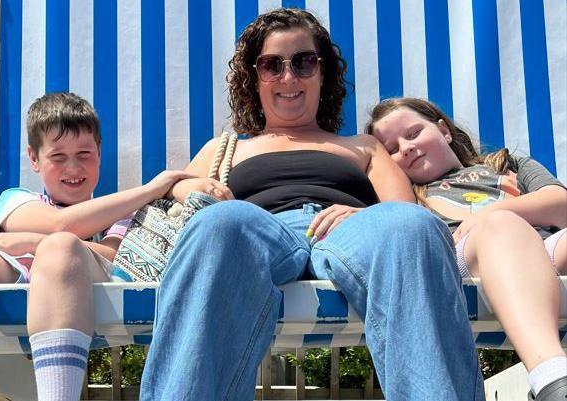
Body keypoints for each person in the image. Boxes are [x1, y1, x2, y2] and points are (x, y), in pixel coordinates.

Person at [138, 8, 484, 401]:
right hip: (255, 230)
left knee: (412, 228)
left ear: (323, 74)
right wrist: (193, 188)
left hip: (349, 231)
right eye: (273, 65)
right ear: (255, 78)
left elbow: (405, 210)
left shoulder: (362, 147)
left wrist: (365, 213)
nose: (289, 77)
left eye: (303, 63)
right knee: (218, 223)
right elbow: (177, 195)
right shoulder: (224, 148)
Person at [0, 92, 191, 401]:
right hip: (18, 274)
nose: (72, 168)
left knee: (60, 249)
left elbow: (113, 257)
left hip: (77, 281)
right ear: (34, 159)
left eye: (84, 154)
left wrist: (31, 241)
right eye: (58, 157)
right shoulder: (16, 199)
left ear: (99, 153)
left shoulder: (124, 213)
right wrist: (149, 189)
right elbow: (61, 223)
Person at [367, 97, 567, 401]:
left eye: (413, 133)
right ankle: (551, 380)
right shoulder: (409, 201)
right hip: (465, 260)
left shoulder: (506, 162)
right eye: (391, 150)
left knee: (500, 221)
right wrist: (494, 220)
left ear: (444, 130)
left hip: (541, 248)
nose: (405, 147)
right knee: (501, 227)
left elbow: (561, 204)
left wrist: (486, 214)